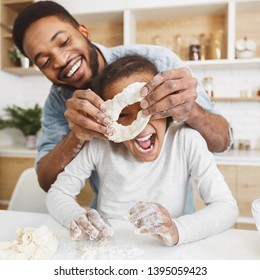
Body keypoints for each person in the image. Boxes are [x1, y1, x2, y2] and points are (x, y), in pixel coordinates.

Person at [12, 1, 231, 212]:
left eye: (63, 42)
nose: (60, 60)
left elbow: (222, 142)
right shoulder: (58, 103)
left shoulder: (157, 64)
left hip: (176, 219)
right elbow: (47, 183)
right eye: (45, 62)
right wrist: (75, 136)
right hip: (111, 218)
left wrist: (191, 111)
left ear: (84, 32)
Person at [46, 55, 238, 246]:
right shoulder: (100, 144)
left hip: (164, 253)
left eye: (149, 108)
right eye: (122, 115)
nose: (140, 127)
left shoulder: (186, 140)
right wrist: (78, 217)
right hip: (107, 249)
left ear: (166, 105)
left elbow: (226, 207)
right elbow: (57, 194)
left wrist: (177, 230)